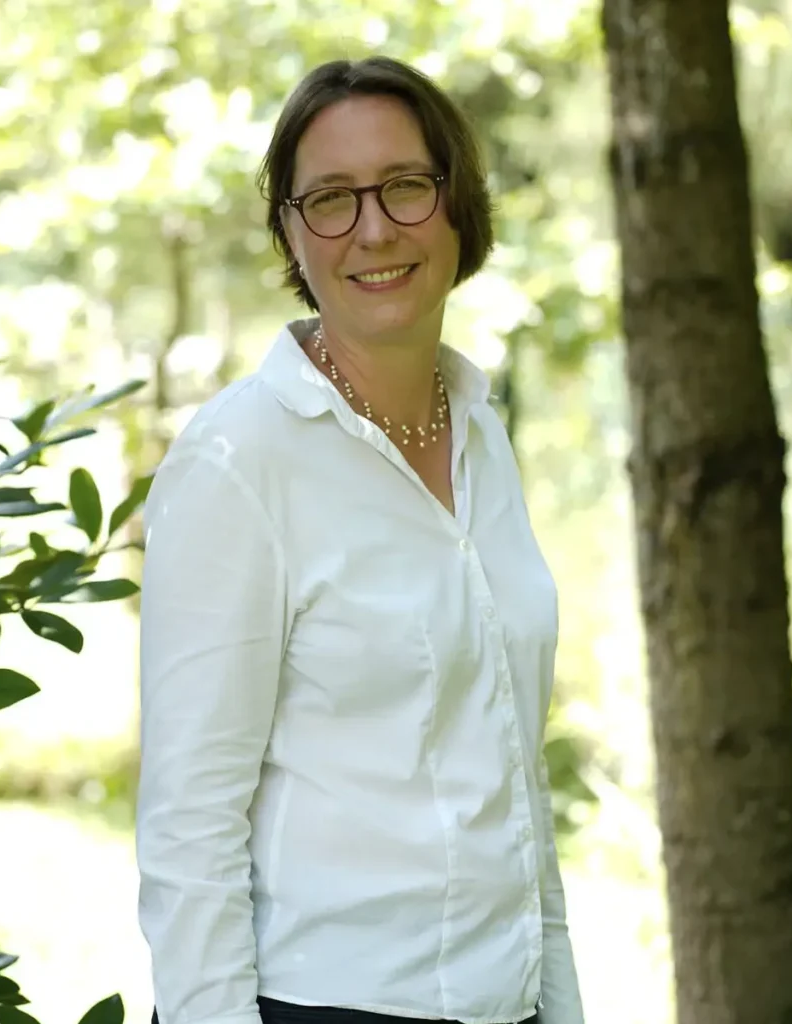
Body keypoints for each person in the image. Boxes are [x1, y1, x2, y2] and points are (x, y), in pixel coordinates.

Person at [136, 55, 585, 1024]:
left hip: (506, 1001)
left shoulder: (480, 433)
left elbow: (513, 774)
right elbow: (187, 825)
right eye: (331, 198)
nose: (373, 228)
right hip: (317, 1003)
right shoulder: (237, 460)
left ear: (457, 203)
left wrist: (559, 998)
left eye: (405, 186)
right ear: (290, 233)